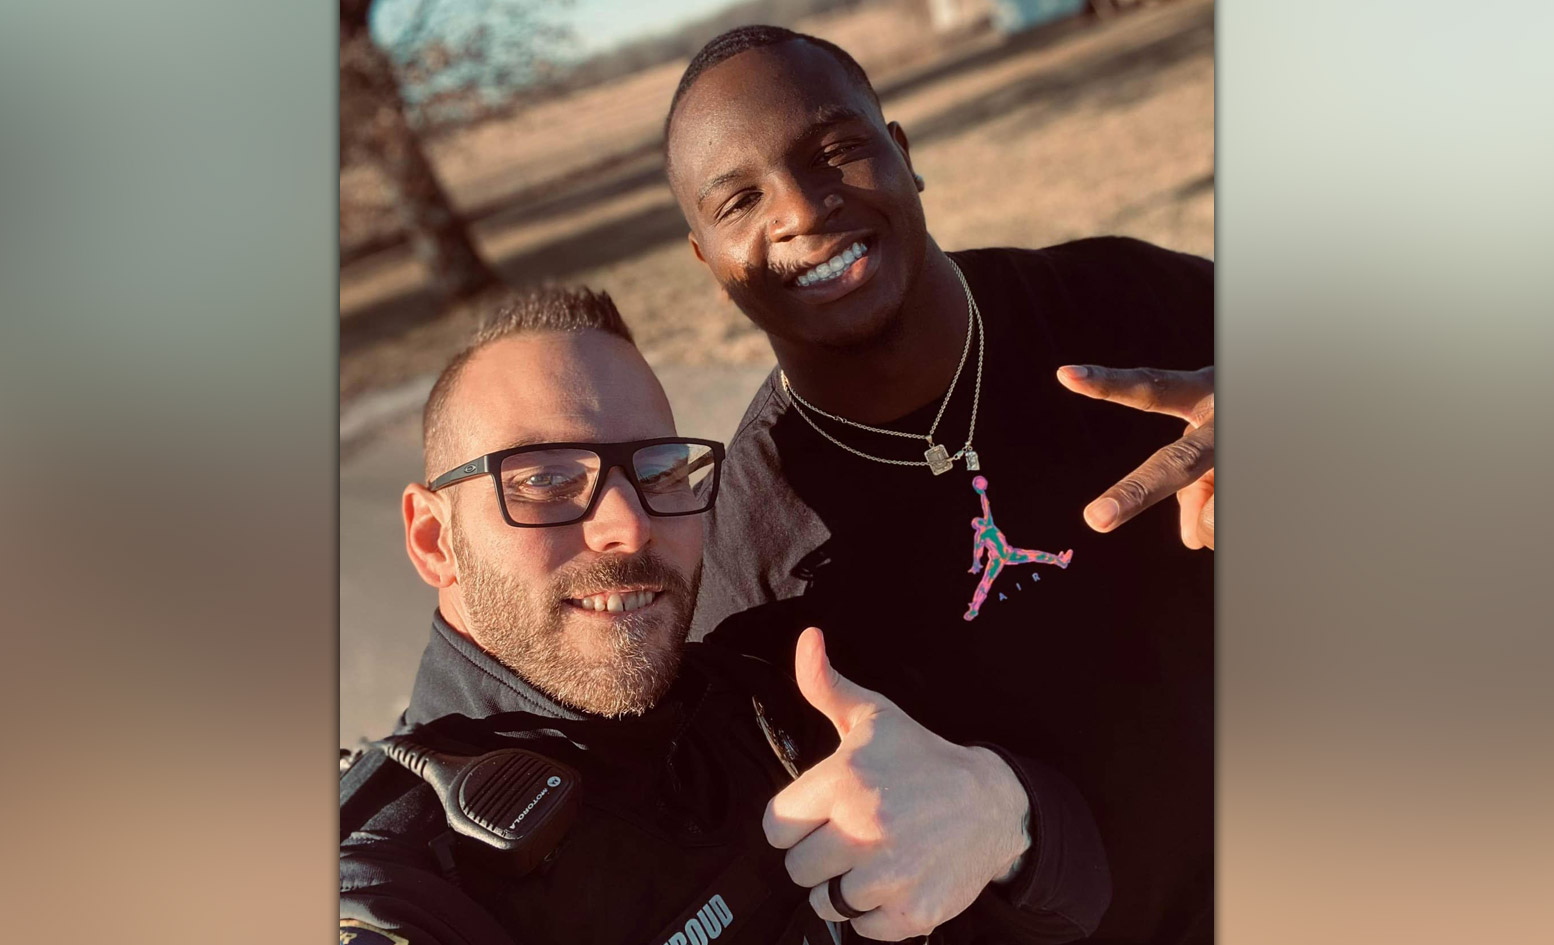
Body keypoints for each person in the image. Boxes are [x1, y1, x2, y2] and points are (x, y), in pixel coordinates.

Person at [662, 26, 1214, 944]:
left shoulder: (1128, 304)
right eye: (740, 200)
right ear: (709, 263)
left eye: (835, 150)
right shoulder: (751, 567)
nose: (801, 208)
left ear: (904, 154)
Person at [339, 288, 1107, 945]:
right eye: (543, 479)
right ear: (434, 539)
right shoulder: (397, 869)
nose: (629, 525)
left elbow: (1081, 895)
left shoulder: (773, 698)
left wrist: (1005, 817)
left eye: (661, 470)